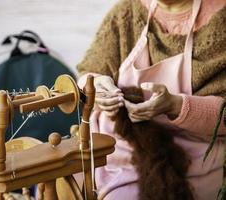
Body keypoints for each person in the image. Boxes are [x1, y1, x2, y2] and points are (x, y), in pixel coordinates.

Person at [77, 0, 226, 199]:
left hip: (195, 163)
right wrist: (96, 86)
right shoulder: (127, 12)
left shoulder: (221, 21)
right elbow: (87, 74)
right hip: (121, 153)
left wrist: (176, 106)